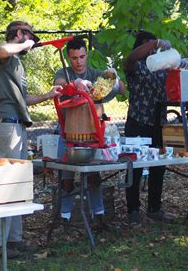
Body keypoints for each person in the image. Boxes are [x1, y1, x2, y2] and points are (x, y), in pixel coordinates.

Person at [0, 20, 62, 258]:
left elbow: (23, 100)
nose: (32, 41)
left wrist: (49, 95)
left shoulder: (17, 63)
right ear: (19, 33)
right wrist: (25, 44)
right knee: (5, 182)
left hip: (18, 125)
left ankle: (14, 239)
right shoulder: (6, 53)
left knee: (17, 183)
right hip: (5, 126)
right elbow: (4, 49)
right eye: (29, 35)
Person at [54, 37, 126, 230]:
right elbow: (60, 84)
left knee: (94, 176)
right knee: (67, 178)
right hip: (69, 133)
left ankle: (99, 216)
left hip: (93, 134)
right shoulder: (64, 73)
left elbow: (121, 89)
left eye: (82, 56)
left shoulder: (95, 73)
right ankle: (65, 219)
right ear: (69, 58)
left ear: (87, 55)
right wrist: (74, 84)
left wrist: (113, 77)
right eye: (75, 58)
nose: (79, 61)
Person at [123, 30, 188, 224]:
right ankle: (133, 210)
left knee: (158, 167)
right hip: (137, 122)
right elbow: (131, 58)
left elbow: (176, 84)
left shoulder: (161, 66)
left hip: (158, 123)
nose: (153, 51)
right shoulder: (135, 66)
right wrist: (155, 42)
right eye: (149, 47)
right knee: (133, 167)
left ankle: (154, 208)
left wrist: (181, 66)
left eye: (155, 48)